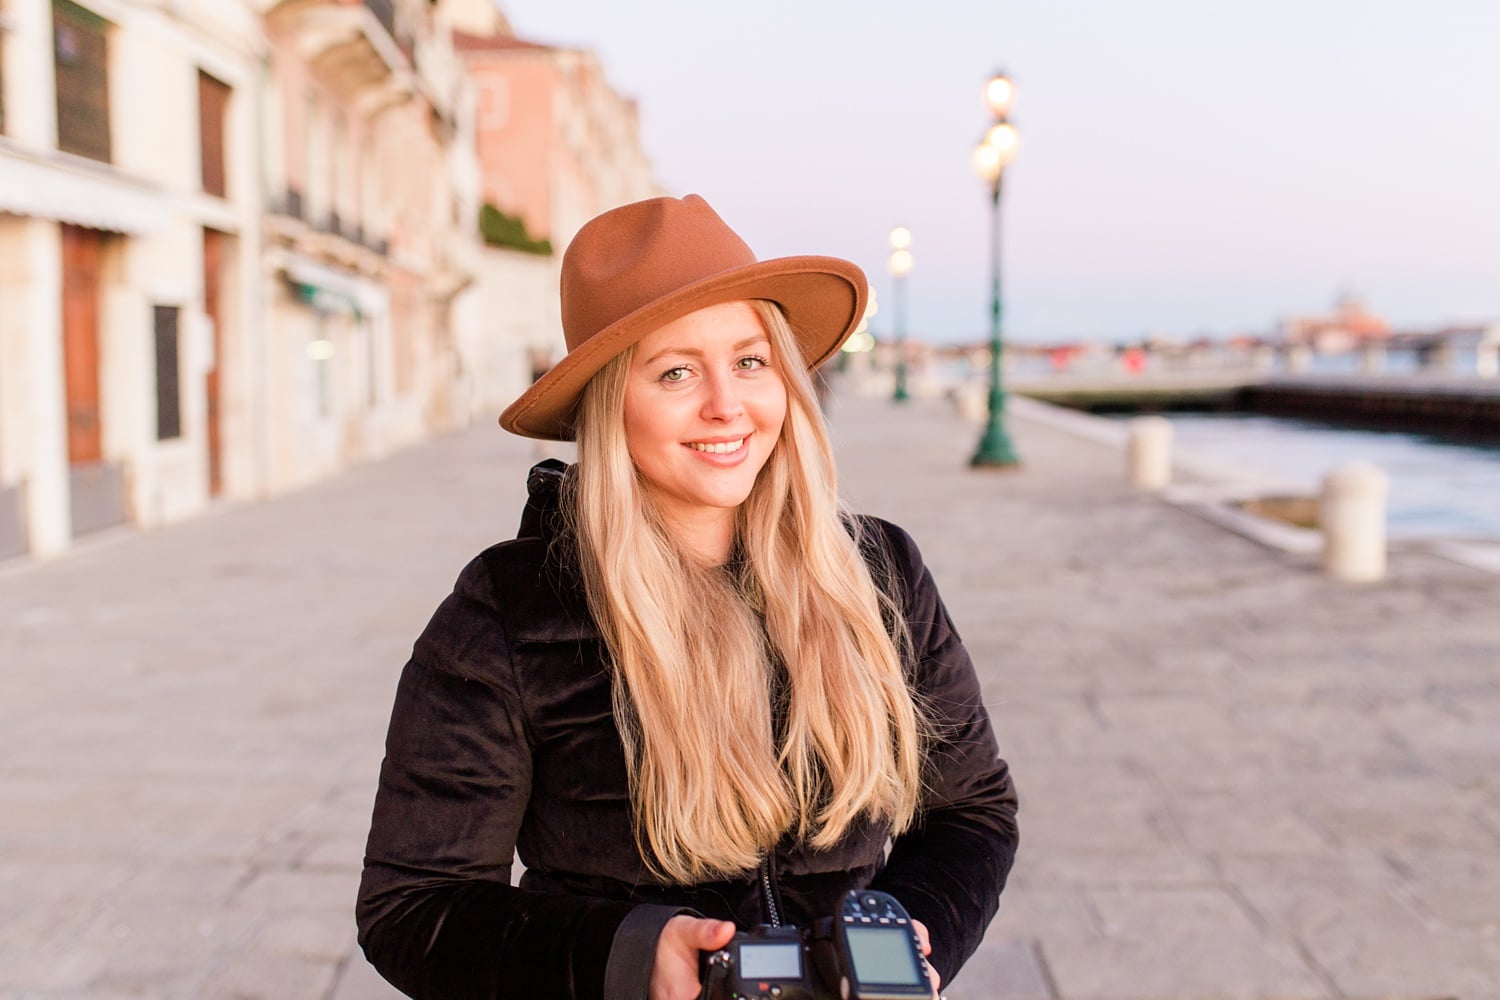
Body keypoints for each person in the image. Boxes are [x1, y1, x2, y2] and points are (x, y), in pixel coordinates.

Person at [357, 195, 1018, 1000]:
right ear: (609, 405)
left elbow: (972, 810)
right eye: (675, 372)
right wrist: (627, 956)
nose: (726, 405)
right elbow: (414, 905)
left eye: (750, 361)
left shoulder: (880, 570)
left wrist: (915, 930)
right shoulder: (507, 610)